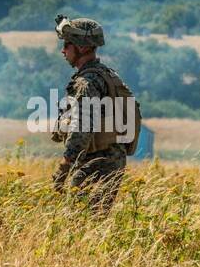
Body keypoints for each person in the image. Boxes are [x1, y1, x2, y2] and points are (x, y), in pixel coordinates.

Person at [51, 14, 139, 215]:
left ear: (82, 47)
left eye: (68, 44)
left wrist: (64, 166)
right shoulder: (106, 74)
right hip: (111, 160)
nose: (63, 50)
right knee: (94, 222)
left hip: (95, 163)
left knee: (79, 222)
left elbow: (81, 126)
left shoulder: (87, 82)